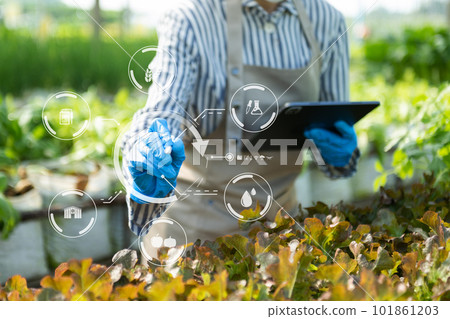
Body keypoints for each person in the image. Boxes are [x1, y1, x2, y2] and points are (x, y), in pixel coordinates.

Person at [122, 0, 359, 246]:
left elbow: (335, 123)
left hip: (281, 226)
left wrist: (340, 153)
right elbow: (162, 112)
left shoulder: (328, 20)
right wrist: (147, 153)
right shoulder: (191, 17)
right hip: (195, 229)